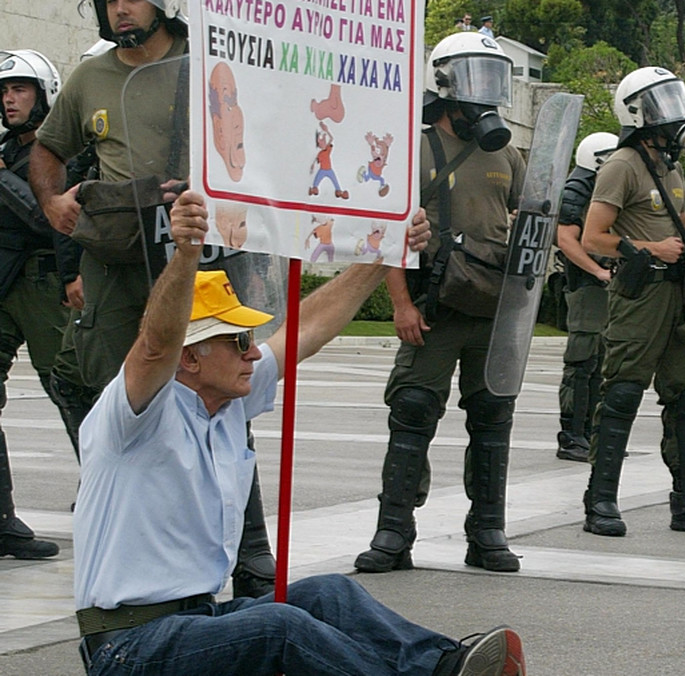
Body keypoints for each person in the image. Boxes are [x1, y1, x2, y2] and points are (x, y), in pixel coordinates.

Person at [73, 189, 525, 676]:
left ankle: (445, 667)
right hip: (129, 647)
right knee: (278, 627)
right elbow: (155, 343)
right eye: (239, 340)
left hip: (197, 620)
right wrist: (187, 251)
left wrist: (384, 252)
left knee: (329, 593)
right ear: (189, 357)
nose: (252, 352)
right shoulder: (135, 414)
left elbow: (306, 328)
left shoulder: (228, 398)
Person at [29, 0, 285, 598]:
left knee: (224, 393)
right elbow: (48, 150)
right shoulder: (90, 76)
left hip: (204, 249)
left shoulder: (214, 62)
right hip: (123, 260)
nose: (119, 9)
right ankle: (120, 523)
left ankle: (250, 553)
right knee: (110, 390)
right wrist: (51, 201)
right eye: (109, 0)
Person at [356, 32, 527, 574]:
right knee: (412, 412)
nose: (487, 92)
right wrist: (402, 306)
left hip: (493, 312)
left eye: (494, 77)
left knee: (492, 416)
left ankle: (487, 532)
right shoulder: (415, 147)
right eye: (476, 76)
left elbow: (529, 225)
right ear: (444, 82)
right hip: (434, 308)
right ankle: (393, 532)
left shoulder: (509, 155)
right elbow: (386, 234)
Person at [579, 66, 685, 537]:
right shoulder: (622, 164)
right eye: (663, 106)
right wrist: (650, 249)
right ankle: (601, 501)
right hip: (641, 293)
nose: (675, 117)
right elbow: (592, 237)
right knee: (623, 393)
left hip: (679, 293)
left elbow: (674, 223)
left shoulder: (670, 167)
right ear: (638, 113)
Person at [0, 49, 83, 559]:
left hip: (46, 287)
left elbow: (46, 216)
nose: (9, 99)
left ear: (45, 92)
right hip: (5, 285)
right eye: (4, 91)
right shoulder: (7, 150)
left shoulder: (59, 152)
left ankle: (112, 501)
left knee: (75, 394)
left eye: (20, 89)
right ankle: (3, 520)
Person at [555, 132, 618, 462]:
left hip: (602, 282)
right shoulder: (577, 189)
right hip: (586, 284)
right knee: (581, 360)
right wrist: (596, 270)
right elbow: (566, 239)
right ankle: (572, 433)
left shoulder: (596, 187)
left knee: (598, 360)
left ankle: (588, 431)